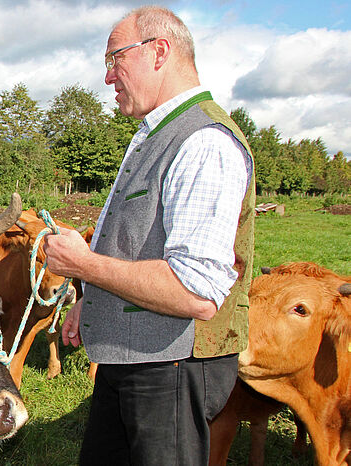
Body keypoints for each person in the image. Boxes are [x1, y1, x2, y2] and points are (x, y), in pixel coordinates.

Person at [43, 6, 255, 465]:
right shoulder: (154, 134)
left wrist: (81, 266)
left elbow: (196, 292)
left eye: (114, 59)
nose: (107, 77)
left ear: (158, 51)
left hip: (172, 367)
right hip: (139, 361)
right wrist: (92, 299)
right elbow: (143, 243)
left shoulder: (204, 141)